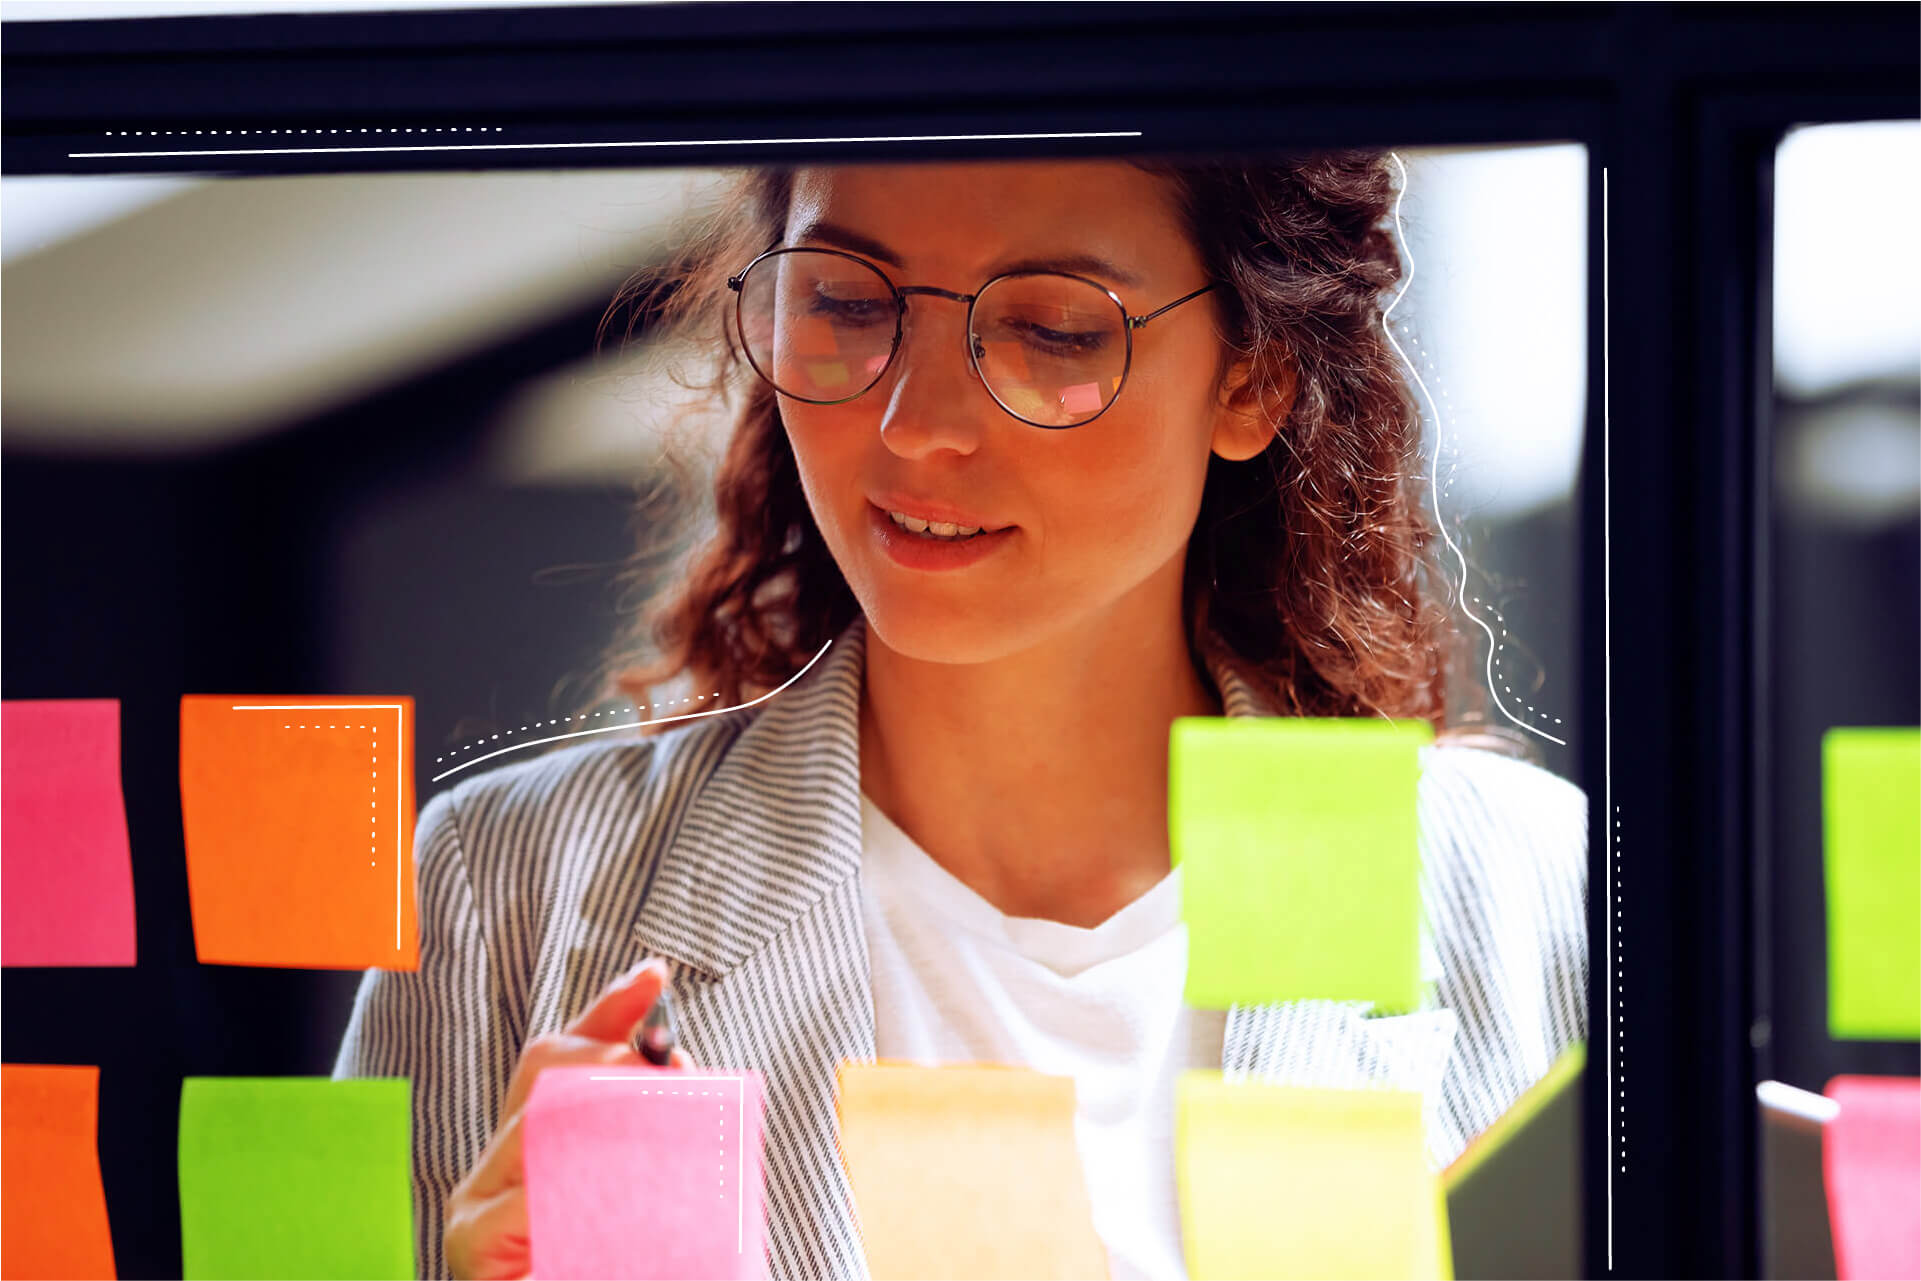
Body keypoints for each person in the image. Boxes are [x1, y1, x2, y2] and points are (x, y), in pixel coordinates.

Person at [334, 151, 1588, 1281]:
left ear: (1252, 380)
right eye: (844, 303)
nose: (915, 425)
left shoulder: (1529, 883)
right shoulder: (507, 884)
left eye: (1051, 329)